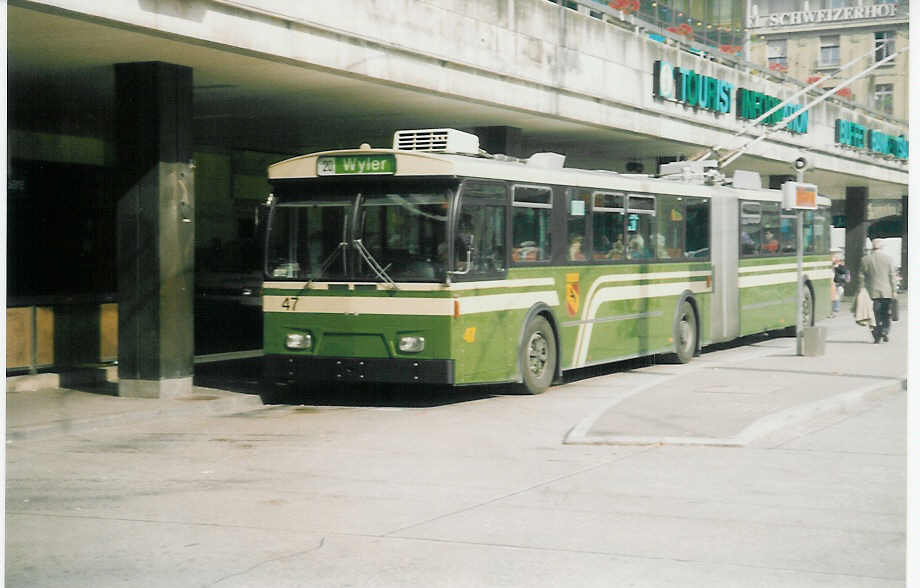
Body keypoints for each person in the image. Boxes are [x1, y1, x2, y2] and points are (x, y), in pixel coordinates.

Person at [858, 238, 898, 343]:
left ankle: (876, 335)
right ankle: (885, 330)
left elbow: (861, 276)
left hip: (871, 292)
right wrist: (894, 291)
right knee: (886, 313)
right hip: (887, 292)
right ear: (882, 247)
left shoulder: (865, 259)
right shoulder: (889, 259)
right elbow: (892, 276)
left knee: (874, 314)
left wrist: (862, 289)